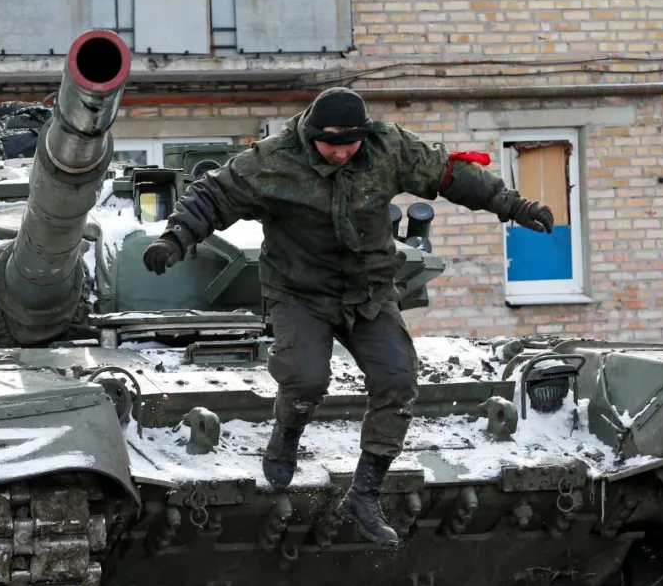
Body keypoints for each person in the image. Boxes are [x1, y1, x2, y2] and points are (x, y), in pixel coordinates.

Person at [141, 88, 554, 546]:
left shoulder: (389, 147)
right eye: (329, 144)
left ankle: (365, 494)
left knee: (398, 381)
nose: (340, 153)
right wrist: (175, 238)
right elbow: (214, 194)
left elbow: (450, 174)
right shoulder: (274, 160)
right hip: (300, 294)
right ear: (311, 135)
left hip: (369, 292)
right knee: (306, 379)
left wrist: (515, 207)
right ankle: (287, 433)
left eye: (349, 144)